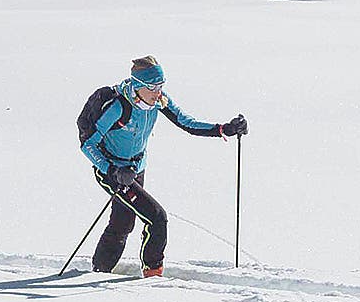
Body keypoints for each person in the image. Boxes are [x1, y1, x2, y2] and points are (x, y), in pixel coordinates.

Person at [80, 55, 245, 277]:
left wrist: (224, 129)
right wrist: (113, 171)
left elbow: (187, 123)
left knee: (122, 223)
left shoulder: (158, 101)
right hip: (112, 171)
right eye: (152, 87)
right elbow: (88, 144)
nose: (157, 92)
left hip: (136, 169)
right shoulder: (119, 107)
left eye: (161, 85)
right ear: (138, 86)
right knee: (157, 218)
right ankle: (153, 276)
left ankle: (99, 271)